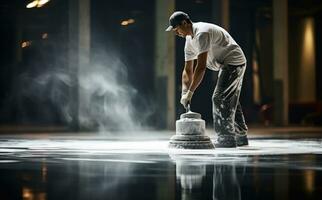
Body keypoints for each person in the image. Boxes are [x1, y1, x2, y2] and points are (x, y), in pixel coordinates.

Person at [166, 11, 248, 147]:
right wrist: (184, 92)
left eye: (176, 29)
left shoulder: (201, 33)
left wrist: (191, 92)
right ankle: (241, 136)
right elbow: (188, 70)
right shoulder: (189, 40)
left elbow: (201, 67)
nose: (176, 33)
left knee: (220, 98)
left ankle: (226, 138)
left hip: (234, 62)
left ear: (185, 23)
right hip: (224, 64)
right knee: (230, 98)